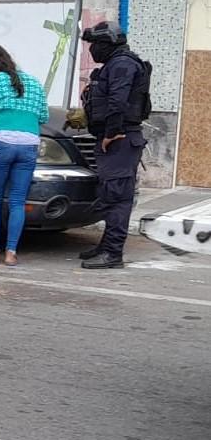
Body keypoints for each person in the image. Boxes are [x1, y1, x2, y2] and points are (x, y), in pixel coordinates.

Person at [78, 21, 151, 270]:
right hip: (118, 138)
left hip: (120, 139)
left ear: (106, 43)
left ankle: (112, 253)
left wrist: (112, 132)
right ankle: (106, 245)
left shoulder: (121, 64)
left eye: (95, 44)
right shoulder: (116, 63)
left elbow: (118, 101)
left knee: (118, 197)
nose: (92, 49)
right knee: (110, 195)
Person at [0, 46, 49, 267]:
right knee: (18, 200)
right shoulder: (35, 83)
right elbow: (44, 116)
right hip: (29, 143)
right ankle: (11, 254)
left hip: (3, 141)